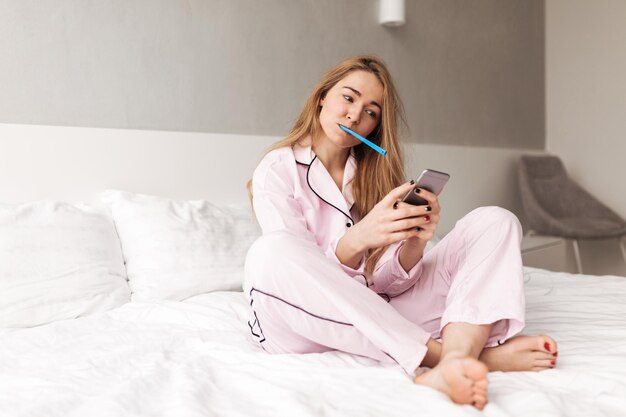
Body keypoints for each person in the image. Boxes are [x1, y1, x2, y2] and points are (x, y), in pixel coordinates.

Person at [243, 54, 557, 410]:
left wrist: (414, 243)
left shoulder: (372, 175)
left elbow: (388, 286)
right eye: (348, 98)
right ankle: (465, 357)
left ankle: (456, 360)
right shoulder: (277, 169)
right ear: (322, 98)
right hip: (299, 322)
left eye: (371, 112)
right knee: (270, 251)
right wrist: (360, 236)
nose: (355, 116)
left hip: (379, 313)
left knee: (495, 221)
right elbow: (301, 277)